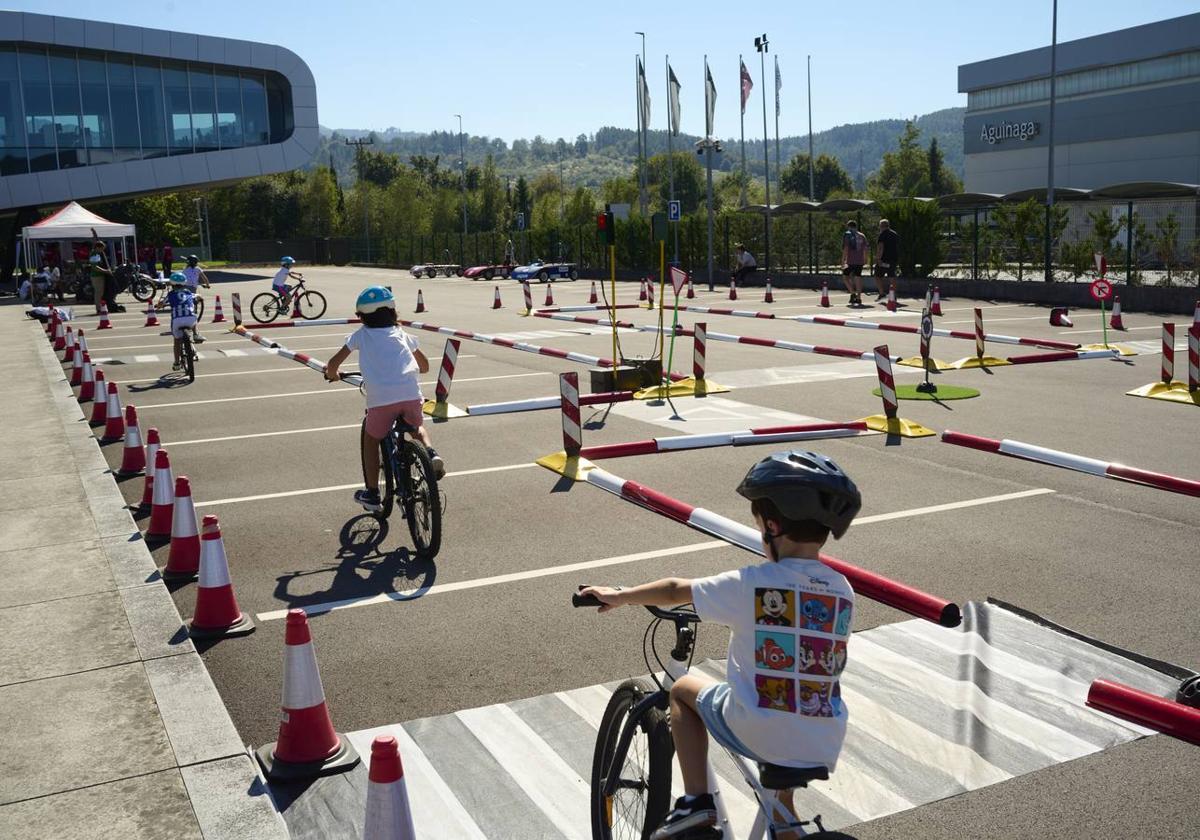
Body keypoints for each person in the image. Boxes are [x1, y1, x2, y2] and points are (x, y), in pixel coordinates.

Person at [580, 450, 861, 840]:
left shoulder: (753, 584)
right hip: (825, 735)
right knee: (783, 797)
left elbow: (677, 589)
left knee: (681, 692)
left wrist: (620, 595)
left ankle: (697, 803)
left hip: (759, 727)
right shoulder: (842, 589)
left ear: (772, 526)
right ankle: (785, 826)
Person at [324, 286, 446, 512]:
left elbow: (333, 365)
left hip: (381, 400)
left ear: (361, 316)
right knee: (416, 427)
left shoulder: (360, 335)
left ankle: (371, 493)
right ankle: (430, 452)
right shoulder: (402, 334)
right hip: (410, 395)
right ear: (392, 311)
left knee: (371, 440)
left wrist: (333, 375)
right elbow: (425, 366)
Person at [166, 272, 198, 372]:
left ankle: (176, 363)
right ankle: (196, 334)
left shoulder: (170, 294)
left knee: (177, 341)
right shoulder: (188, 292)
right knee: (193, 316)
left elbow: (162, 303)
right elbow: (197, 296)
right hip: (190, 319)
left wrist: (159, 305)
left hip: (177, 320)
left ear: (172, 284)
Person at [840, 220, 869, 307]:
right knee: (858, 277)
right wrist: (865, 258)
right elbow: (866, 248)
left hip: (850, 260)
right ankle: (859, 297)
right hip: (859, 260)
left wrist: (843, 260)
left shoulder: (848, 234)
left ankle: (853, 293)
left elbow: (846, 248)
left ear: (848, 226)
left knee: (845, 277)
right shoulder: (862, 235)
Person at [873, 219, 901, 299]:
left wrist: (878, 258)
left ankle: (882, 293)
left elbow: (880, 247)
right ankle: (894, 294)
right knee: (892, 276)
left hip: (884, 259)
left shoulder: (882, 235)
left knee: (877, 276)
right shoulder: (894, 234)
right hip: (893, 258)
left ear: (881, 226)